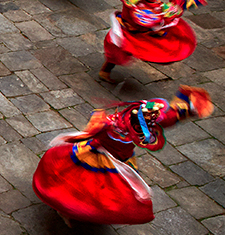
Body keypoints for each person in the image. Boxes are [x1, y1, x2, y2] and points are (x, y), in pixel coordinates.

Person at [34, 87, 212, 225]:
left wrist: (185, 109)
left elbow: (164, 118)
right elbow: (94, 132)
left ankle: (76, 208)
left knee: (91, 186)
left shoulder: (126, 120)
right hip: (100, 157)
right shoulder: (111, 126)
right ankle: (69, 208)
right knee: (84, 185)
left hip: (113, 158)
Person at [99, 0, 203, 83]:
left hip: (139, 33)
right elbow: (142, 17)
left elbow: (159, 15)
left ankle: (105, 71)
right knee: (118, 54)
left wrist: (170, 9)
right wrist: (163, 14)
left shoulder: (154, 2)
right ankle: (104, 72)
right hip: (127, 32)